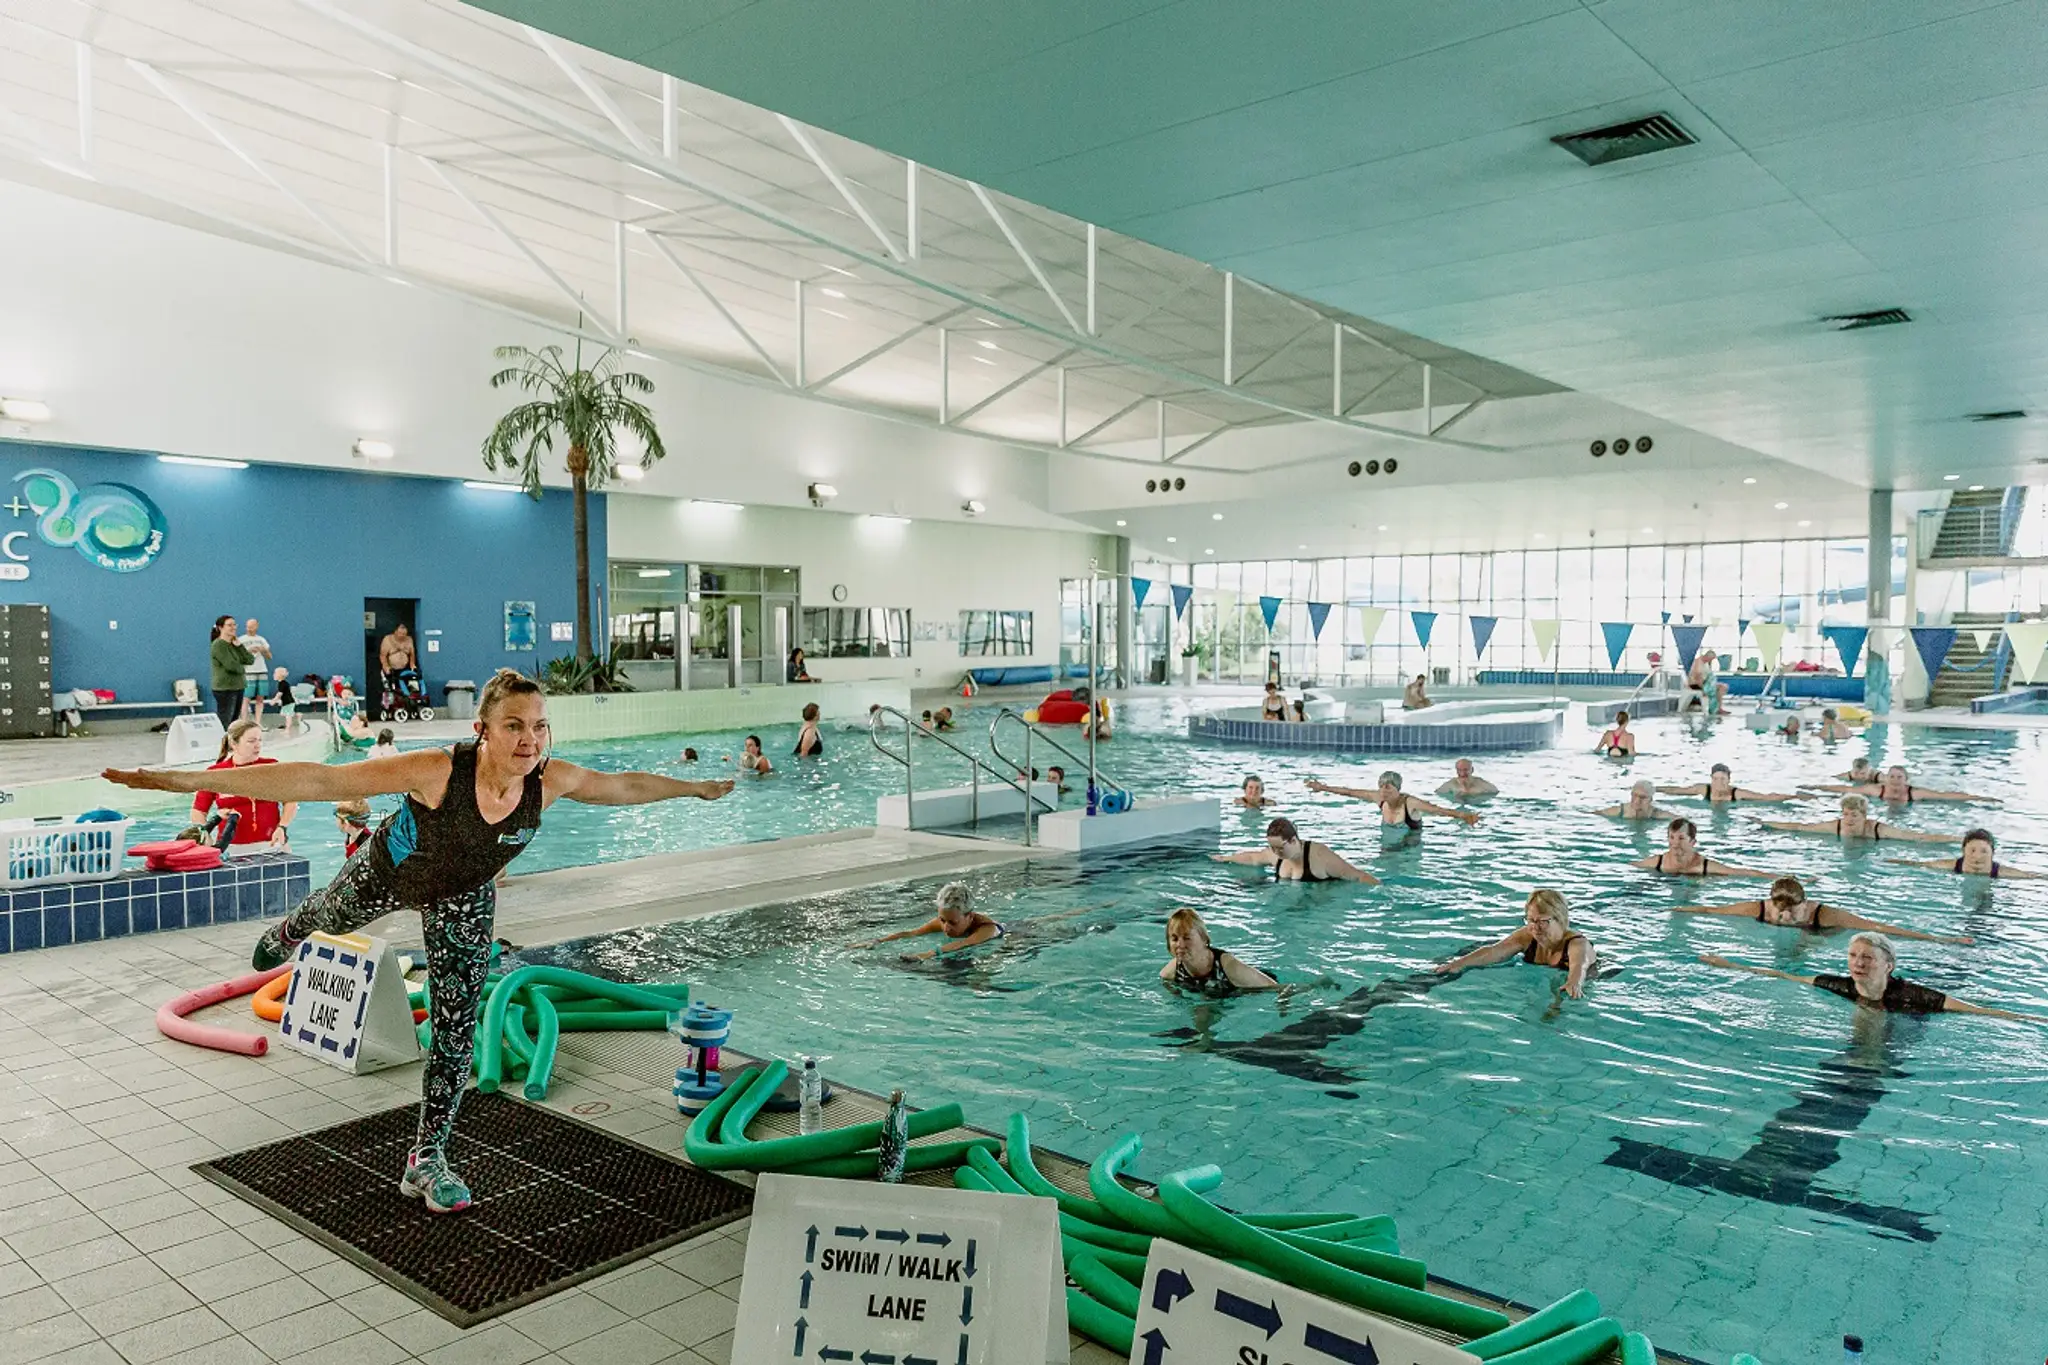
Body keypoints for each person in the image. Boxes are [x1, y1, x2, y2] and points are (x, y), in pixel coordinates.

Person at [103, 669, 734, 1215]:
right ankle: (291, 931)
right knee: (331, 915)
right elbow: (321, 781)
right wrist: (186, 785)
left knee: (458, 1028)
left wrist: (695, 788)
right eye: (515, 725)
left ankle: (426, 1157)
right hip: (389, 871)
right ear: (484, 729)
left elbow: (620, 786)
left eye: (539, 726)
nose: (530, 739)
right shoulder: (439, 769)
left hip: (464, 896)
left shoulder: (548, 781)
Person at [1702, 933, 2040, 1020]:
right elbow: (1784, 976)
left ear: (1888, 965)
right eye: (1852, 957)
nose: (1857, 963)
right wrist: (1730, 965)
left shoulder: (1916, 995)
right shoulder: (1841, 985)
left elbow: (1974, 1011)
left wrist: (2030, 1016)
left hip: (1911, 1018)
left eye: (1867, 958)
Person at [1671, 874, 1972, 944]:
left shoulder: (1826, 915)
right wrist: (1680, 910)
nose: (1785, 918)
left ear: (1805, 905)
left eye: (1792, 912)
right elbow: (1715, 911)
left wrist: (1941, 940)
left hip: (1822, 934)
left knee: (1805, 943)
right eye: (1780, 913)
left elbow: (1878, 927)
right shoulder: (1759, 910)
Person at [1435, 890, 1596, 999]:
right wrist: (1458, 963)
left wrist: (1574, 982)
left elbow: (1579, 966)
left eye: (1542, 921)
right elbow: (1494, 951)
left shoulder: (1577, 944)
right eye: (1531, 920)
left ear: (1560, 919)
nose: (1535, 926)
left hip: (1588, 974)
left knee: (1557, 1000)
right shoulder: (1527, 935)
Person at [190, 718, 294, 851]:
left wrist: (282, 827)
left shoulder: (271, 766)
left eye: (259, 740)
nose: (258, 745)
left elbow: (290, 800)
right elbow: (198, 811)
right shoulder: (216, 773)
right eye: (251, 741)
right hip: (231, 848)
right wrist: (204, 834)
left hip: (273, 843)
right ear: (234, 743)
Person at [849, 881, 1003, 960]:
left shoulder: (987, 929)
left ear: (969, 916)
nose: (945, 927)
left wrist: (927, 954)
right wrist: (879, 941)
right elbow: (912, 933)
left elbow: (965, 944)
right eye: (942, 920)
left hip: (1014, 941)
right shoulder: (947, 919)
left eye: (953, 923)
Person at [1213, 817, 1377, 884]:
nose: (1276, 853)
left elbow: (1356, 875)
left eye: (1280, 848)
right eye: (1272, 847)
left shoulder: (1320, 855)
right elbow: (1253, 858)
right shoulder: (1275, 854)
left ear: (1293, 840)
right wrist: (1227, 858)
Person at [1757, 794, 1958, 845]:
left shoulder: (1878, 830)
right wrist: (1765, 823)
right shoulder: (1836, 827)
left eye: (1854, 815)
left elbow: (1916, 837)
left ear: (1865, 816)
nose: (1849, 819)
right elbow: (1799, 827)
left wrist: (1956, 840)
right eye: (1845, 814)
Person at [1160, 908, 1277, 994]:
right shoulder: (1170, 972)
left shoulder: (1228, 966)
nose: (1180, 945)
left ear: (1204, 939)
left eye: (1187, 938)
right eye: (1174, 939)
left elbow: (1277, 988)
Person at [1306, 772, 1481, 829]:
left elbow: (1438, 810)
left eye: (1388, 787)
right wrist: (1323, 787)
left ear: (1398, 789)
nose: (1383, 791)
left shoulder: (1410, 803)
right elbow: (1350, 792)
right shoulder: (1378, 798)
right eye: (1381, 786)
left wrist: (1464, 816)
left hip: (1410, 844)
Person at [1632, 817, 1771, 877]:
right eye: (1671, 837)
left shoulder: (1704, 866)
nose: (1675, 843)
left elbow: (1741, 873)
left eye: (1681, 838)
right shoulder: (1657, 862)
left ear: (1693, 842)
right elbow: (1628, 868)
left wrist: (1777, 876)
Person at [1890, 828, 2042, 880]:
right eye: (1972, 850)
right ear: (1963, 851)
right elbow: (1921, 864)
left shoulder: (2001, 872)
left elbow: (2030, 876)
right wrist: (1893, 862)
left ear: (1992, 854)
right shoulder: (1951, 865)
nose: (1977, 856)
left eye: (1984, 851)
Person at [1813, 764, 1999, 806]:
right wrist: (1815, 788)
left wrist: (1980, 798)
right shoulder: (1877, 790)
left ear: (1906, 780)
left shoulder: (1915, 793)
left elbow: (1946, 795)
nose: (1894, 780)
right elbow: (1846, 790)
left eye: (1899, 777)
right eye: (1891, 777)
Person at [1658, 763, 1796, 803]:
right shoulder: (1703, 789)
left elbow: (1766, 797)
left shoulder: (1737, 793)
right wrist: (1654, 788)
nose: (1718, 783)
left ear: (1729, 780)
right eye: (1715, 779)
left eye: (1722, 779)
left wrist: (1795, 797)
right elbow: (1676, 790)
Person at [209, 616, 253, 729]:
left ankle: (231, 744)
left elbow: (249, 659)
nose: (233, 627)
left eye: (234, 625)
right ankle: (224, 744)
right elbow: (231, 665)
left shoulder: (233, 644)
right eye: (229, 625)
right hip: (225, 688)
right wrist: (243, 670)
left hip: (238, 686)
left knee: (234, 722)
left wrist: (239, 647)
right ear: (220, 628)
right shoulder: (218, 644)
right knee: (226, 721)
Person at [239, 618, 273, 722]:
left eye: (251, 626)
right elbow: (237, 657)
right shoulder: (241, 640)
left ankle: (258, 722)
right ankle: (244, 722)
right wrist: (247, 651)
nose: (249, 629)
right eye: (247, 626)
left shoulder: (261, 639)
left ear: (257, 626)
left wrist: (263, 650)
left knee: (260, 698)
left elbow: (269, 656)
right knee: (246, 698)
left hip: (261, 670)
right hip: (248, 672)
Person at [1596, 780, 1677, 821]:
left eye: (1642, 797)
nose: (1637, 801)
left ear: (1650, 800)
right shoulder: (1619, 811)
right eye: (1634, 796)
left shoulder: (1658, 814)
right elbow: (1595, 814)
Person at [1682, 649, 1728, 713]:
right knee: (1720, 688)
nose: (1710, 661)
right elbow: (1698, 677)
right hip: (1695, 684)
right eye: (1711, 659)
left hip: (1704, 683)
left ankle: (1718, 708)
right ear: (1707, 657)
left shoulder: (1705, 663)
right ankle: (1715, 709)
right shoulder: (1698, 662)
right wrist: (1703, 689)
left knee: (1723, 687)